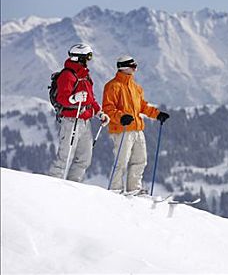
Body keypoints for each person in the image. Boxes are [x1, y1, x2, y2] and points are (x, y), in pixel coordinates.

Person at [102, 55, 170, 193]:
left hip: (137, 129)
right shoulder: (112, 86)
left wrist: (157, 114)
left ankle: (134, 189)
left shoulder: (135, 87)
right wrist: (121, 117)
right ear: (124, 67)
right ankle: (115, 190)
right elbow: (108, 109)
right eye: (133, 66)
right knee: (121, 161)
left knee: (140, 160)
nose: (135, 69)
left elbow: (142, 106)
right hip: (122, 129)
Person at [49, 43, 110, 181]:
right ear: (79, 58)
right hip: (71, 121)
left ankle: (73, 186)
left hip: (84, 121)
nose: (89, 60)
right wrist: (73, 98)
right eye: (87, 57)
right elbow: (62, 98)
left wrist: (100, 113)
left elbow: (90, 99)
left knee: (84, 158)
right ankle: (52, 186)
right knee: (64, 157)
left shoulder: (85, 76)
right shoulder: (67, 75)